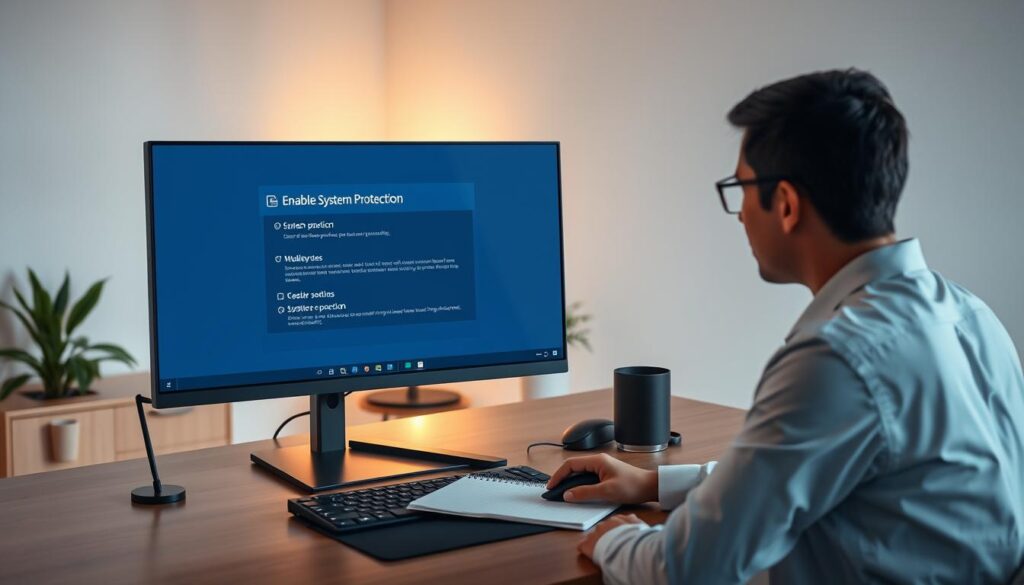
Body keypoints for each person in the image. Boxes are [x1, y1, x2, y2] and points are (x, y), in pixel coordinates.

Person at [549, 69, 1024, 584]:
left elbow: (690, 569)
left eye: (742, 189)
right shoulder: (971, 314)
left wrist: (614, 538)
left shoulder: (838, 357)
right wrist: (652, 484)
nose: (739, 215)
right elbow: (800, 478)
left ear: (789, 205)